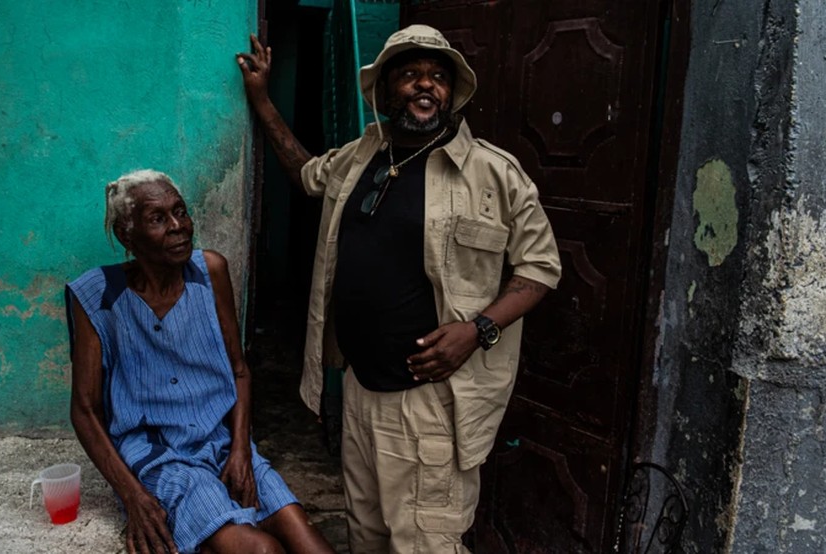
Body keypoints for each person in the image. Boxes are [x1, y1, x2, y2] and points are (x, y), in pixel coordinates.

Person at [237, 25, 562, 553]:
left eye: (437, 76)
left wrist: (478, 329)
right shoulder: (360, 156)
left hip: (431, 403)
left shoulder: (493, 173)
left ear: (453, 92)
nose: (425, 85)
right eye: (409, 75)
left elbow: (541, 268)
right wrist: (262, 100)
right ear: (385, 92)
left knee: (426, 544)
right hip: (361, 392)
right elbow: (303, 175)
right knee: (367, 536)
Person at [66, 169, 336, 554]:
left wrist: (241, 450)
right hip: (159, 455)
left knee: (305, 538)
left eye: (181, 211)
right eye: (158, 219)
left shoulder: (210, 271)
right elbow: (84, 409)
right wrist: (133, 497)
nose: (178, 226)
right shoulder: (97, 295)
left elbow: (239, 370)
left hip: (222, 442)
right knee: (261, 550)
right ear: (127, 235)